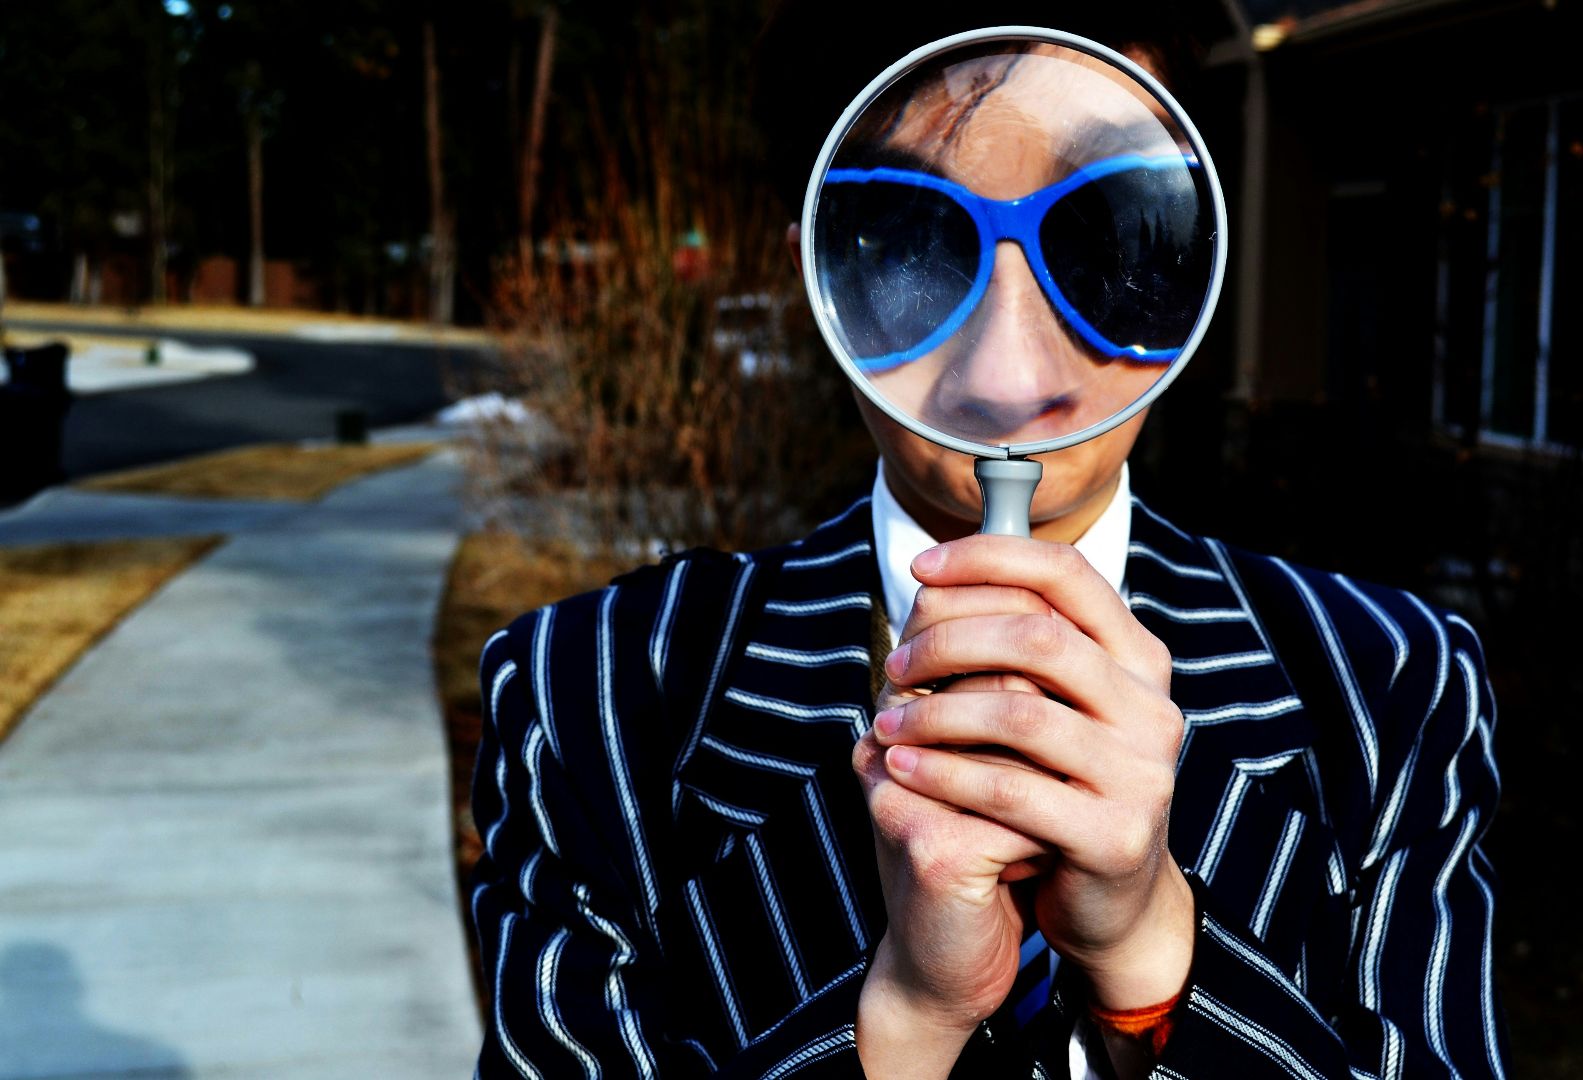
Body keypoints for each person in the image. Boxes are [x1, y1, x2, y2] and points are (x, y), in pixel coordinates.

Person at [469, 3, 1510, 1077]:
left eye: (1104, 232)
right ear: (817, 283)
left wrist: (1154, 955)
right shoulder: (589, 696)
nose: (1007, 383)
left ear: (1194, 248)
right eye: (910, 246)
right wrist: (907, 1019)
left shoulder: (1391, 687)